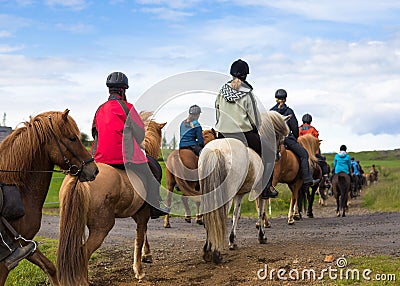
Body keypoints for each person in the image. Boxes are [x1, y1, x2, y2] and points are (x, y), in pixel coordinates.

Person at [91, 71, 168, 219]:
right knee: (153, 169)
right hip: (123, 157)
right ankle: (155, 205)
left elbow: (95, 131)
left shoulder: (100, 109)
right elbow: (139, 133)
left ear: (109, 90)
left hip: (100, 157)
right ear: (123, 90)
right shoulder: (128, 107)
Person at [215, 59, 278, 199]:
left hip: (222, 134)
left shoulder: (221, 91)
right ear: (246, 75)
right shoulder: (247, 93)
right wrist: (256, 128)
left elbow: (217, 110)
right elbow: (254, 118)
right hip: (243, 134)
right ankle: (266, 187)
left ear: (231, 74)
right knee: (270, 152)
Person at [271, 89, 319, 188]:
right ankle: (307, 179)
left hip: (272, 140)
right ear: (285, 99)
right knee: (304, 154)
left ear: (276, 99)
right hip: (287, 139)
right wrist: (294, 138)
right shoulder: (289, 111)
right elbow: (294, 128)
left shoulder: (272, 111)